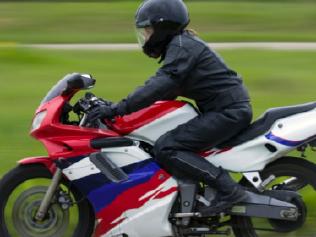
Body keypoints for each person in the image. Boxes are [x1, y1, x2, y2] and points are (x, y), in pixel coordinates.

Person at [87, 0, 252, 213]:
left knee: (167, 147)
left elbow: (159, 85)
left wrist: (118, 109)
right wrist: (117, 106)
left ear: (162, 27)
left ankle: (230, 191)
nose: (145, 37)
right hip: (225, 109)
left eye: (148, 30)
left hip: (228, 112)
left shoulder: (183, 47)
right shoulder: (182, 45)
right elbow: (161, 91)